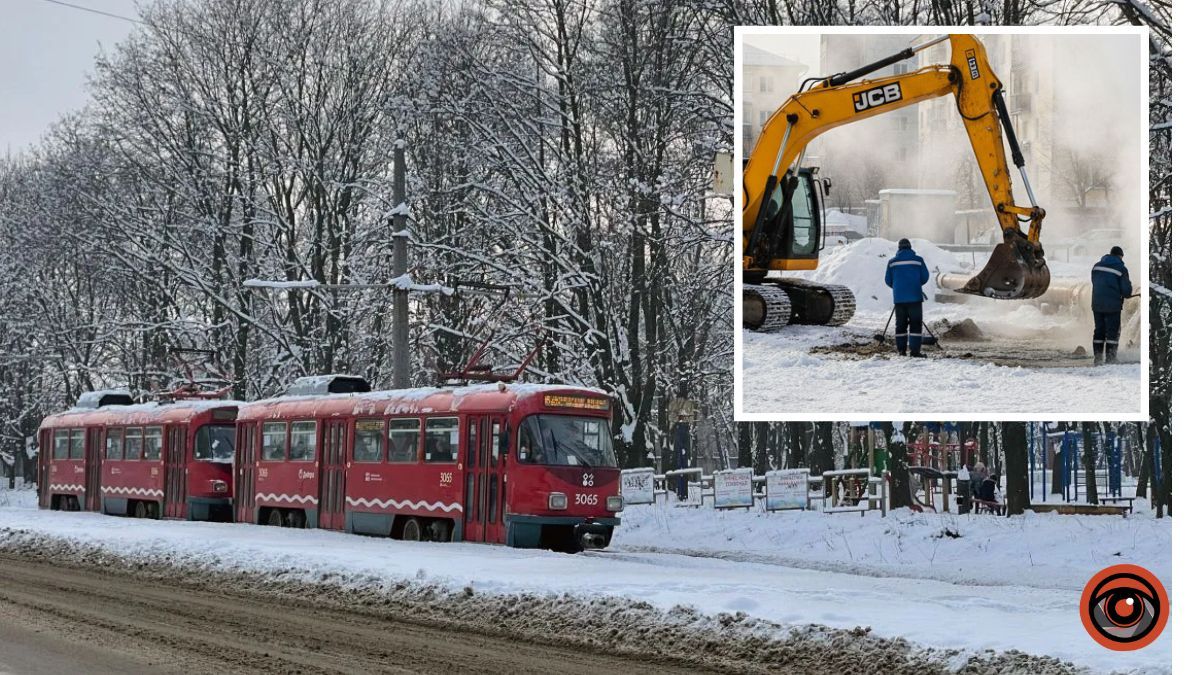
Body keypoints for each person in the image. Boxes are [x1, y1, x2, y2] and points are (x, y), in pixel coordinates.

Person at [884, 238, 931, 357]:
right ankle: (915, 351)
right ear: (910, 247)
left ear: (899, 248)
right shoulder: (918, 261)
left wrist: (898, 288)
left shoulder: (892, 262)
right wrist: (914, 283)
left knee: (900, 325)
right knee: (915, 324)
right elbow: (925, 277)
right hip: (915, 298)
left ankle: (901, 350)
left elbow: (888, 280)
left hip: (899, 300)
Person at [1091, 246, 1134, 365]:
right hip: (1112, 305)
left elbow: (1096, 283)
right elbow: (1126, 291)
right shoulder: (1121, 268)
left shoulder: (1096, 266)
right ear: (1120, 256)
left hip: (1096, 304)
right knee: (1112, 332)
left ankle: (1098, 358)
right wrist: (1125, 293)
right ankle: (1110, 358)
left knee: (1099, 331)